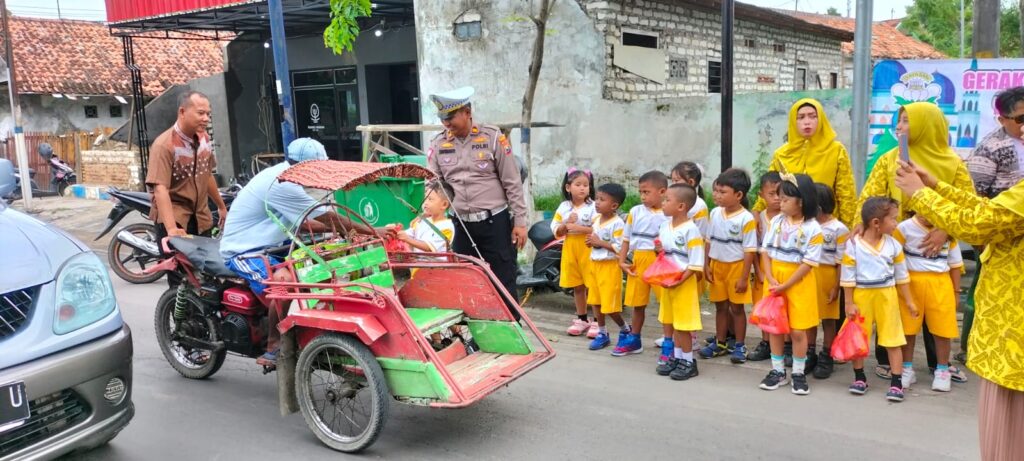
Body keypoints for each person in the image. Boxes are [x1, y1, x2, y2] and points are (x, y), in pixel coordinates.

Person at [896, 160, 1024, 461]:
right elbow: (990, 213)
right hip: (1009, 329)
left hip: (1013, 332)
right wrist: (937, 187)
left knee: (1009, 433)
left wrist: (921, 194)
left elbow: (977, 224)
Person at [219, 138, 386, 367]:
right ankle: (275, 346)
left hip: (278, 245)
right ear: (302, 167)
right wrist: (373, 230)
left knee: (320, 270)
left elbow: (312, 222)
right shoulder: (281, 184)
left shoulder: (292, 178)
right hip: (245, 250)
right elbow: (326, 217)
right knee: (282, 287)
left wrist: (343, 230)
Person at [857, 101, 975, 380]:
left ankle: (939, 365)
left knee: (936, 311)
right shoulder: (890, 159)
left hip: (935, 246)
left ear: (927, 125)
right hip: (897, 242)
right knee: (894, 305)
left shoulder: (953, 163)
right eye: (899, 120)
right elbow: (870, 197)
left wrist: (945, 229)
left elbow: (970, 205)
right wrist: (862, 227)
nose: (899, 126)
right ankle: (891, 361)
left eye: (907, 121)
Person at [426, 87, 528, 309]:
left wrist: (520, 221)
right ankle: (478, 334)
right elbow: (433, 184)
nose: (446, 123)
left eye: (451, 117)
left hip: (495, 223)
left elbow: (512, 181)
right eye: (443, 118)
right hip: (461, 224)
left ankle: (512, 335)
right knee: (466, 281)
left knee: (503, 280)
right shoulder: (438, 144)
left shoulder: (492, 138)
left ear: (467, 112)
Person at [960, 86, 1024, 365]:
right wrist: (983, 241)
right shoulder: (991, 148)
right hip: (998, 235)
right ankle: (972, 349)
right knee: (984, 294)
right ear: (1002, 120)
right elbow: (976, 196)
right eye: (1021, 118)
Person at [841, 197, 918, 402]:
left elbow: (902, 276)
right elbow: (847, 275)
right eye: (893, 219)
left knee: (893, 339)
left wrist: (909, 301)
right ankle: (859, 378)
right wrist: (849, 302)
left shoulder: (894, 246)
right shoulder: (854, 245)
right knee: (859, 338)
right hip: (862, 296)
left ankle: (896, 382)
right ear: (876, 223)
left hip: (887, 296)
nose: (896, 223)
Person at [758, 173, 821, 395]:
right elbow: (764, 251)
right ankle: (777, 371)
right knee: (774, 326)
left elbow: (807, 264)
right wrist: (770, 277)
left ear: (801, 201)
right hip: (775, 278)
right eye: (778, 197)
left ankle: (798, 372)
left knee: (797, 330)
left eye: (785, 198)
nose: (779, 202)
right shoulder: (775, 221)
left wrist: (786, 285)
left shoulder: (813, 229)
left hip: (798, 281)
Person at [753, 98, 857, 228]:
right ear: (793, 121)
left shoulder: (836, 150)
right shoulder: (782, 154)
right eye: (800, 117)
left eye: (813, 116)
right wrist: (757, 211)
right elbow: (770, 187)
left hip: (824, 223)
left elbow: (846, 192)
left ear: (821, 120)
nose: (807, 122)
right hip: (789, 223)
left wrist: (848, 226)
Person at [893, 212, 962, 392]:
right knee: (908, 328)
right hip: (910, 283)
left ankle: (942, 369)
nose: (927, 215)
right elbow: (894, 255)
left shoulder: (947, 230)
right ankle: (906, 368)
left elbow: (955, 264)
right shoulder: (904, 228)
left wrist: (956, 292)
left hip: (940, 282)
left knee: (942, 330)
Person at [146, 91, 226, 242]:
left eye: (208, 114)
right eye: (201, 113)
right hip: (176, 220)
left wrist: (221, 206)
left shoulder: (205, 140)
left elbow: (207, 175)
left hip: (202, 219)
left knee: (204, 264)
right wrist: (171, 229)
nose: (206, 119)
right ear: (182, 112)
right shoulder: (164, 145)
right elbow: (160, 188)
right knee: (177, 265)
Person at [700, 168, 756, 364]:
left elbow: (750, 250)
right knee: (720, 306)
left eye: (723, 192)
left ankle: (740, 345)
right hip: (717, 266)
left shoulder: (746, 219)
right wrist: (706, 264)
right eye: (716, 190)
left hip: (736, 268)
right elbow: (708, 241)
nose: (717, 195)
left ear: (739, 195)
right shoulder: (715, 213)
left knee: (737, 308)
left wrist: (743, 277)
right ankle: (721, 342)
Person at [653, 184, 705, 381]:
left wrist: (679, 281)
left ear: (681, 206)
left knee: (683, 325)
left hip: (683, 283)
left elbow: (695, 263)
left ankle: (689, 361)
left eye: (667, 200)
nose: (663, 203)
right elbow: (665, 253)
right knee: (673, 322)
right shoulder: (665, 226)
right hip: (667, 281)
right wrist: (658, 250)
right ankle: (677, 356)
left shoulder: (691, 231)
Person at [619, 171, 669, 358]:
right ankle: (635, 339)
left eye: (647, 192)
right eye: (641, 192)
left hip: (660, 262)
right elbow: (626, 238)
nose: (642, 196)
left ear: (662, 191)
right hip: (638, 260)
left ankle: (669, 341)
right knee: (637, 303)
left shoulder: (668, 214)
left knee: (666, 303)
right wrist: (622, 260)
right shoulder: (635, 212)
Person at [552, 168, 597, 337]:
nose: (583, 188)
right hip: (571, 246)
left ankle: (598, 320)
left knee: (592, 284)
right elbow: (556, 229)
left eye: (586, 185)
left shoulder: (594, 206)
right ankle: (582, 318)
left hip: (588, 245)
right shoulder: (564, 207)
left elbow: (599, 227)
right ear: (568, 187)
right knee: (578, 285)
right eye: (578, 184)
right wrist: (565, 225)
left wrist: (578, 227)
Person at [810, 183, 848, 380]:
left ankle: (827, 355)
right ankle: (809, 352)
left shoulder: (839, 229)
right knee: (808, 317)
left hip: (828, 276)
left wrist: (836, 286)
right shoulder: (809, 225)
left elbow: (841, 261)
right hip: (810, 273)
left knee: (828, 319)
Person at [584, 183, 628, 353]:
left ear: (614, 205)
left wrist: (600, 243)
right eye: (597, 198)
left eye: (602, 200)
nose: (597, 202)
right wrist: (592, 243)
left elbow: (620, 247)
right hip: (594, 265)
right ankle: (602, 333)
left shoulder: (617, 224)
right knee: (595, 301)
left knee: (609, 305)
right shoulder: (596, 220)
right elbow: (594, 241)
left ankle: (625, 329)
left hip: (609, 267)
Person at [747, 171, 782, 362]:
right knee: (762, 307)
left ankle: (784, 344)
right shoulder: (758, 218)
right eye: (771, 194)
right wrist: (758, 270)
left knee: (781, 307)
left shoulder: (788, 217)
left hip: (782, 267)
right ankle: (766, 342)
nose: (776, 198)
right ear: (761, 195)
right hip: (762, 266)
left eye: (780, 194)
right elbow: (753, 246)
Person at [396, 182, 456, 264]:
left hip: (437, 270)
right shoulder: (422, 221)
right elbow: (410, 233)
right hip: (418, 267)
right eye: (425, 198)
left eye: (430, 199)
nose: (425, 203)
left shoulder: (447, 227)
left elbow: (429, 247)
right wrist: (396, 231)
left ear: (444, 204)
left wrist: (407, 239)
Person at [670, 161, 710, 236]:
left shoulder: (700, 206)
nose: (673, 185)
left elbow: (701, 235)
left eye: (676, 180)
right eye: (672, 181)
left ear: (691, 182)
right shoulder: (671, 201)